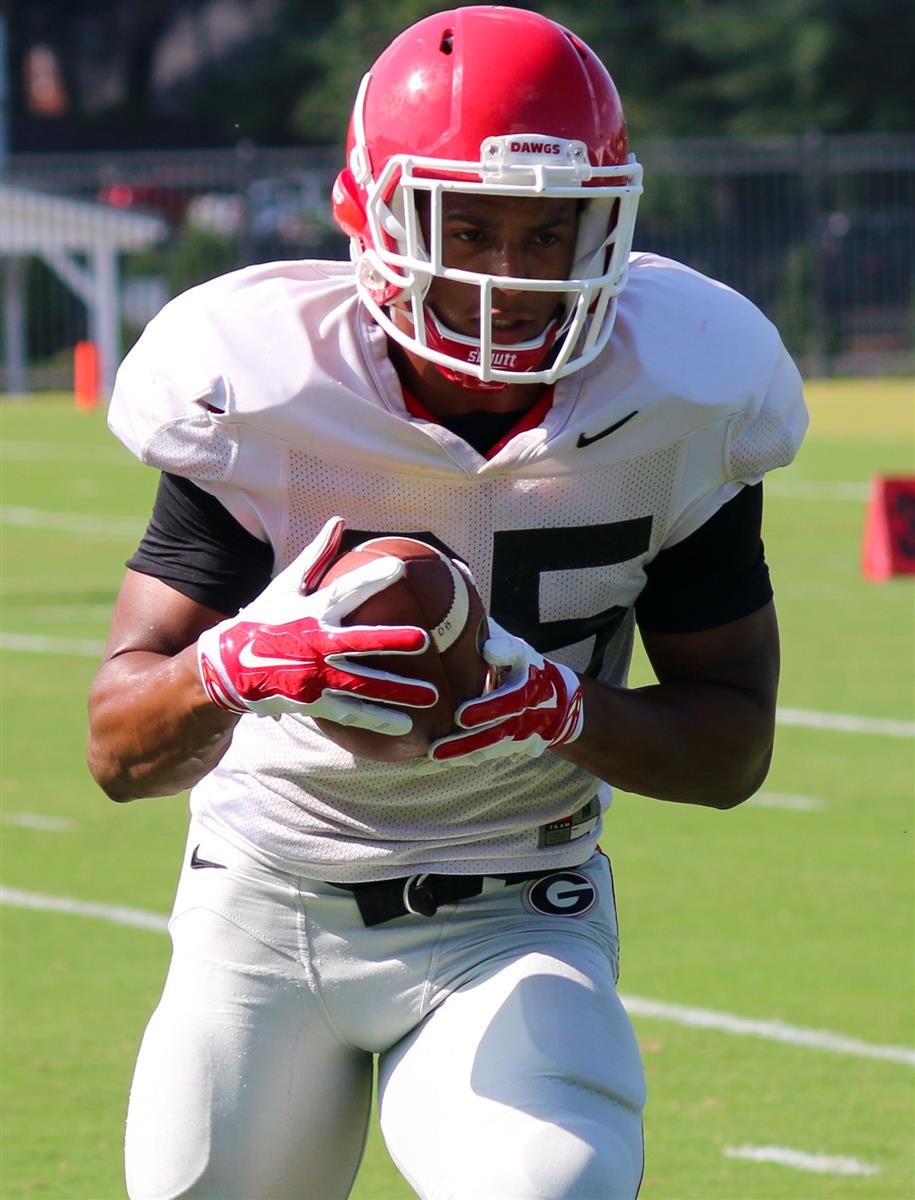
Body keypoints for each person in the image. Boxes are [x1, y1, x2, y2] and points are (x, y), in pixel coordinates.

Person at [87, 7, 807, 1199]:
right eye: (466, 226)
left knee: (548, 1187)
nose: (504, 278)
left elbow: (730, 744)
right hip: (264, 907)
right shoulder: (265, 386)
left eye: (549, 232)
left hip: (514, 909)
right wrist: (235, 667)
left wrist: (558, 704)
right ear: (373, 217)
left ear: (610, 223)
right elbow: (119, 746)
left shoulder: (685, 390)